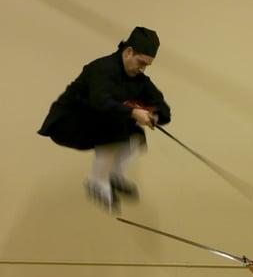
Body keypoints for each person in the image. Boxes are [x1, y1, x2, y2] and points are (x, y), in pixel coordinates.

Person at [38, 26, 171, 212]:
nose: (142, 69)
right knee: (115, 125)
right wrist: (133, 112)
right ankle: (97, 182)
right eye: (141, 62)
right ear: (129, 52)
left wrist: (156, 114)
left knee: (135, 135)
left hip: (95, 121)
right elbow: (100, 103)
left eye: (146, 65)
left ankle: (114, 175)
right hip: (69, 121)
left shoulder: (138, 78)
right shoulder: (102, 69)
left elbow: (160, 105)